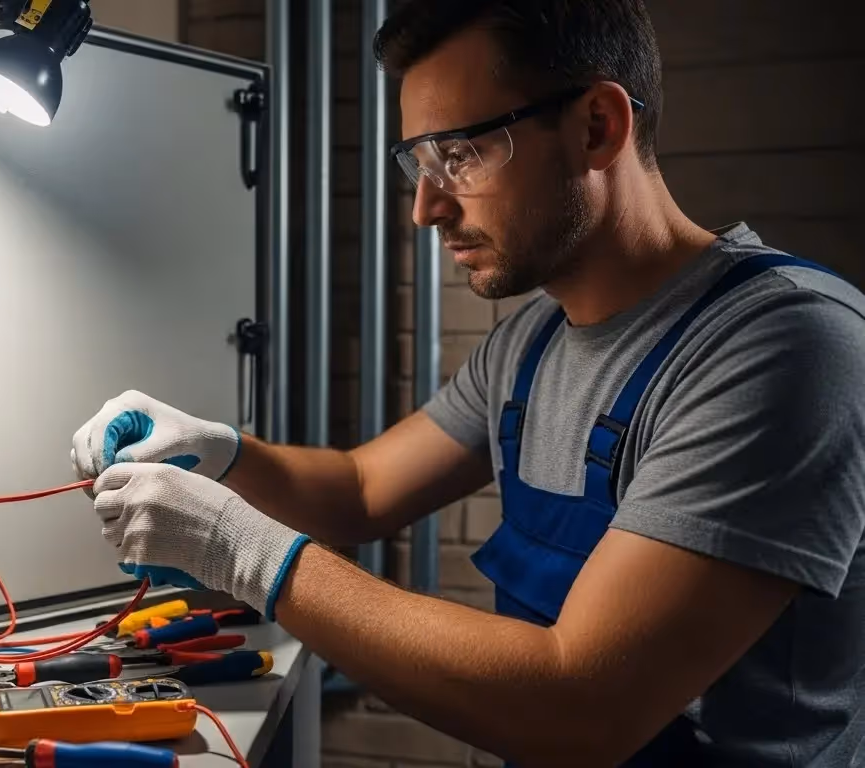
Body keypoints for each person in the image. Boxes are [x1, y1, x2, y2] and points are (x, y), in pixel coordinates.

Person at [71, 1, 865, 765]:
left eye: (460, 155)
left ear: (597, 125)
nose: (424, 207)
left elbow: (580, 710)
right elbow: (361, 490)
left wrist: (233, 546)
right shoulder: (532, 340)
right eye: (418, 161)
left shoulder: (785, 348)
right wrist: (220, 451)